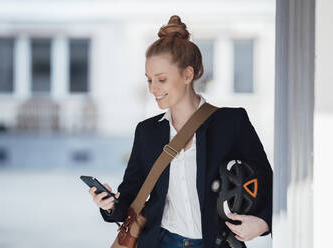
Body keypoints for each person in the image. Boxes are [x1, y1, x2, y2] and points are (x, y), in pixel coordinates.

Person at [89, 15, 273, 248]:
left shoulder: (231, 123)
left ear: (188, 75)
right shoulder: (147, 132)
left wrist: (263, 223)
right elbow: (129, 199)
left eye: (161, 80)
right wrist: (110, 204)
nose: (153, 89)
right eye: (149, 80)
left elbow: (268, 183)